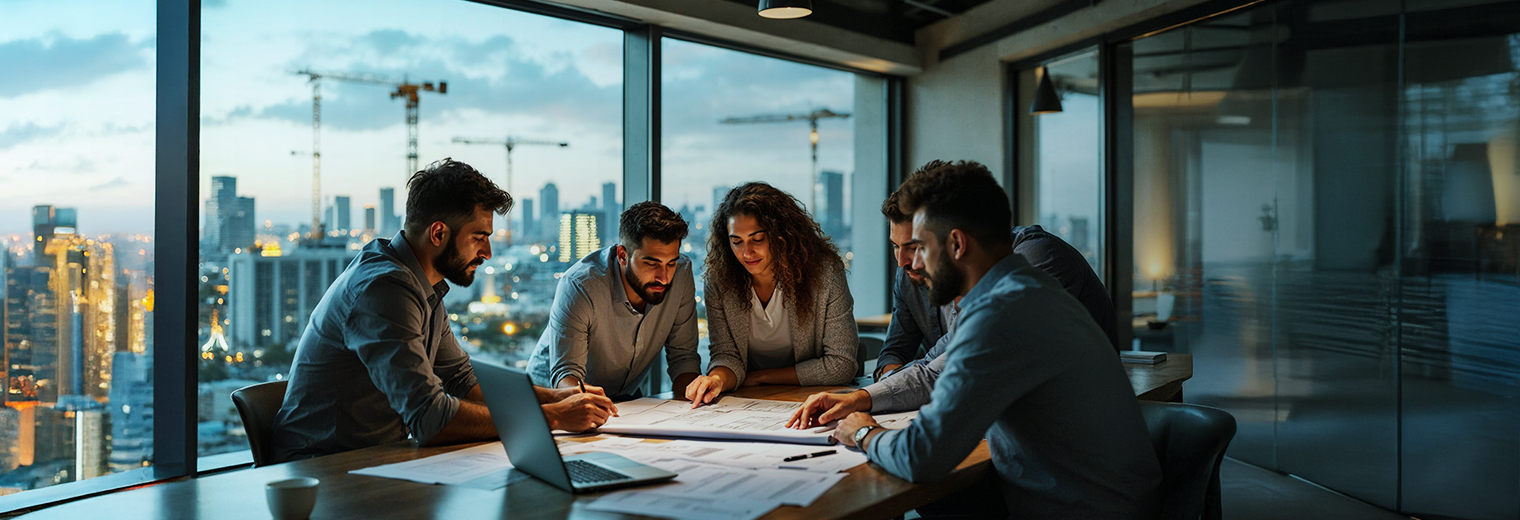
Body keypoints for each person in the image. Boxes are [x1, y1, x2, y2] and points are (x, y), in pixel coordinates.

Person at [801, 161, 1161, 519]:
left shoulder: (1000, 314)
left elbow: (921, 456)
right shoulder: (1027, 290)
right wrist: (860, 399)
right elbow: (935, 374)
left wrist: (863, 432)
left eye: (922, 248)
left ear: (956, 244)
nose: (913, 265)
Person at [271, 159, 616, 462]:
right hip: (321, 469)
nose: (488, 252)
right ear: (438, 233)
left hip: (375, 458)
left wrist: (560, 396)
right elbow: (430, 416)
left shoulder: (422, 284)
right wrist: (552, 417)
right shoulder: (384, 288)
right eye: (479, 237)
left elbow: (463, 381)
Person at [874, 172, 1118, 381]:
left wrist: (889, 396)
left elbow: (967, 352)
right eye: (896, 246)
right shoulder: (910, 271)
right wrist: (891, 381)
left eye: (915, 247)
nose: (903, 261)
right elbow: (895, 351)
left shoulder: (1035, 258)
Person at [684, 182, 858, 406]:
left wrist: (761, 378)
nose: (747, 253)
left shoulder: (824, 274)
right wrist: (717, 379)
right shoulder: (720, 282)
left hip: (812, 399)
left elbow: (841, 364)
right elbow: (726, 355)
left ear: (781, 235)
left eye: (757, 239)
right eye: (736, 242)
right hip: (749, 403)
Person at [526, 201, 701, 400]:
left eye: (670, 263)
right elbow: (566, 376)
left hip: (624, 398)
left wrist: (691, 406)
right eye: (651, 263)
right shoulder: (580, 285)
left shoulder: (681, 272)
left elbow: (684, 357)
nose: (664, 276)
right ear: (622, 255)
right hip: (550, 399)